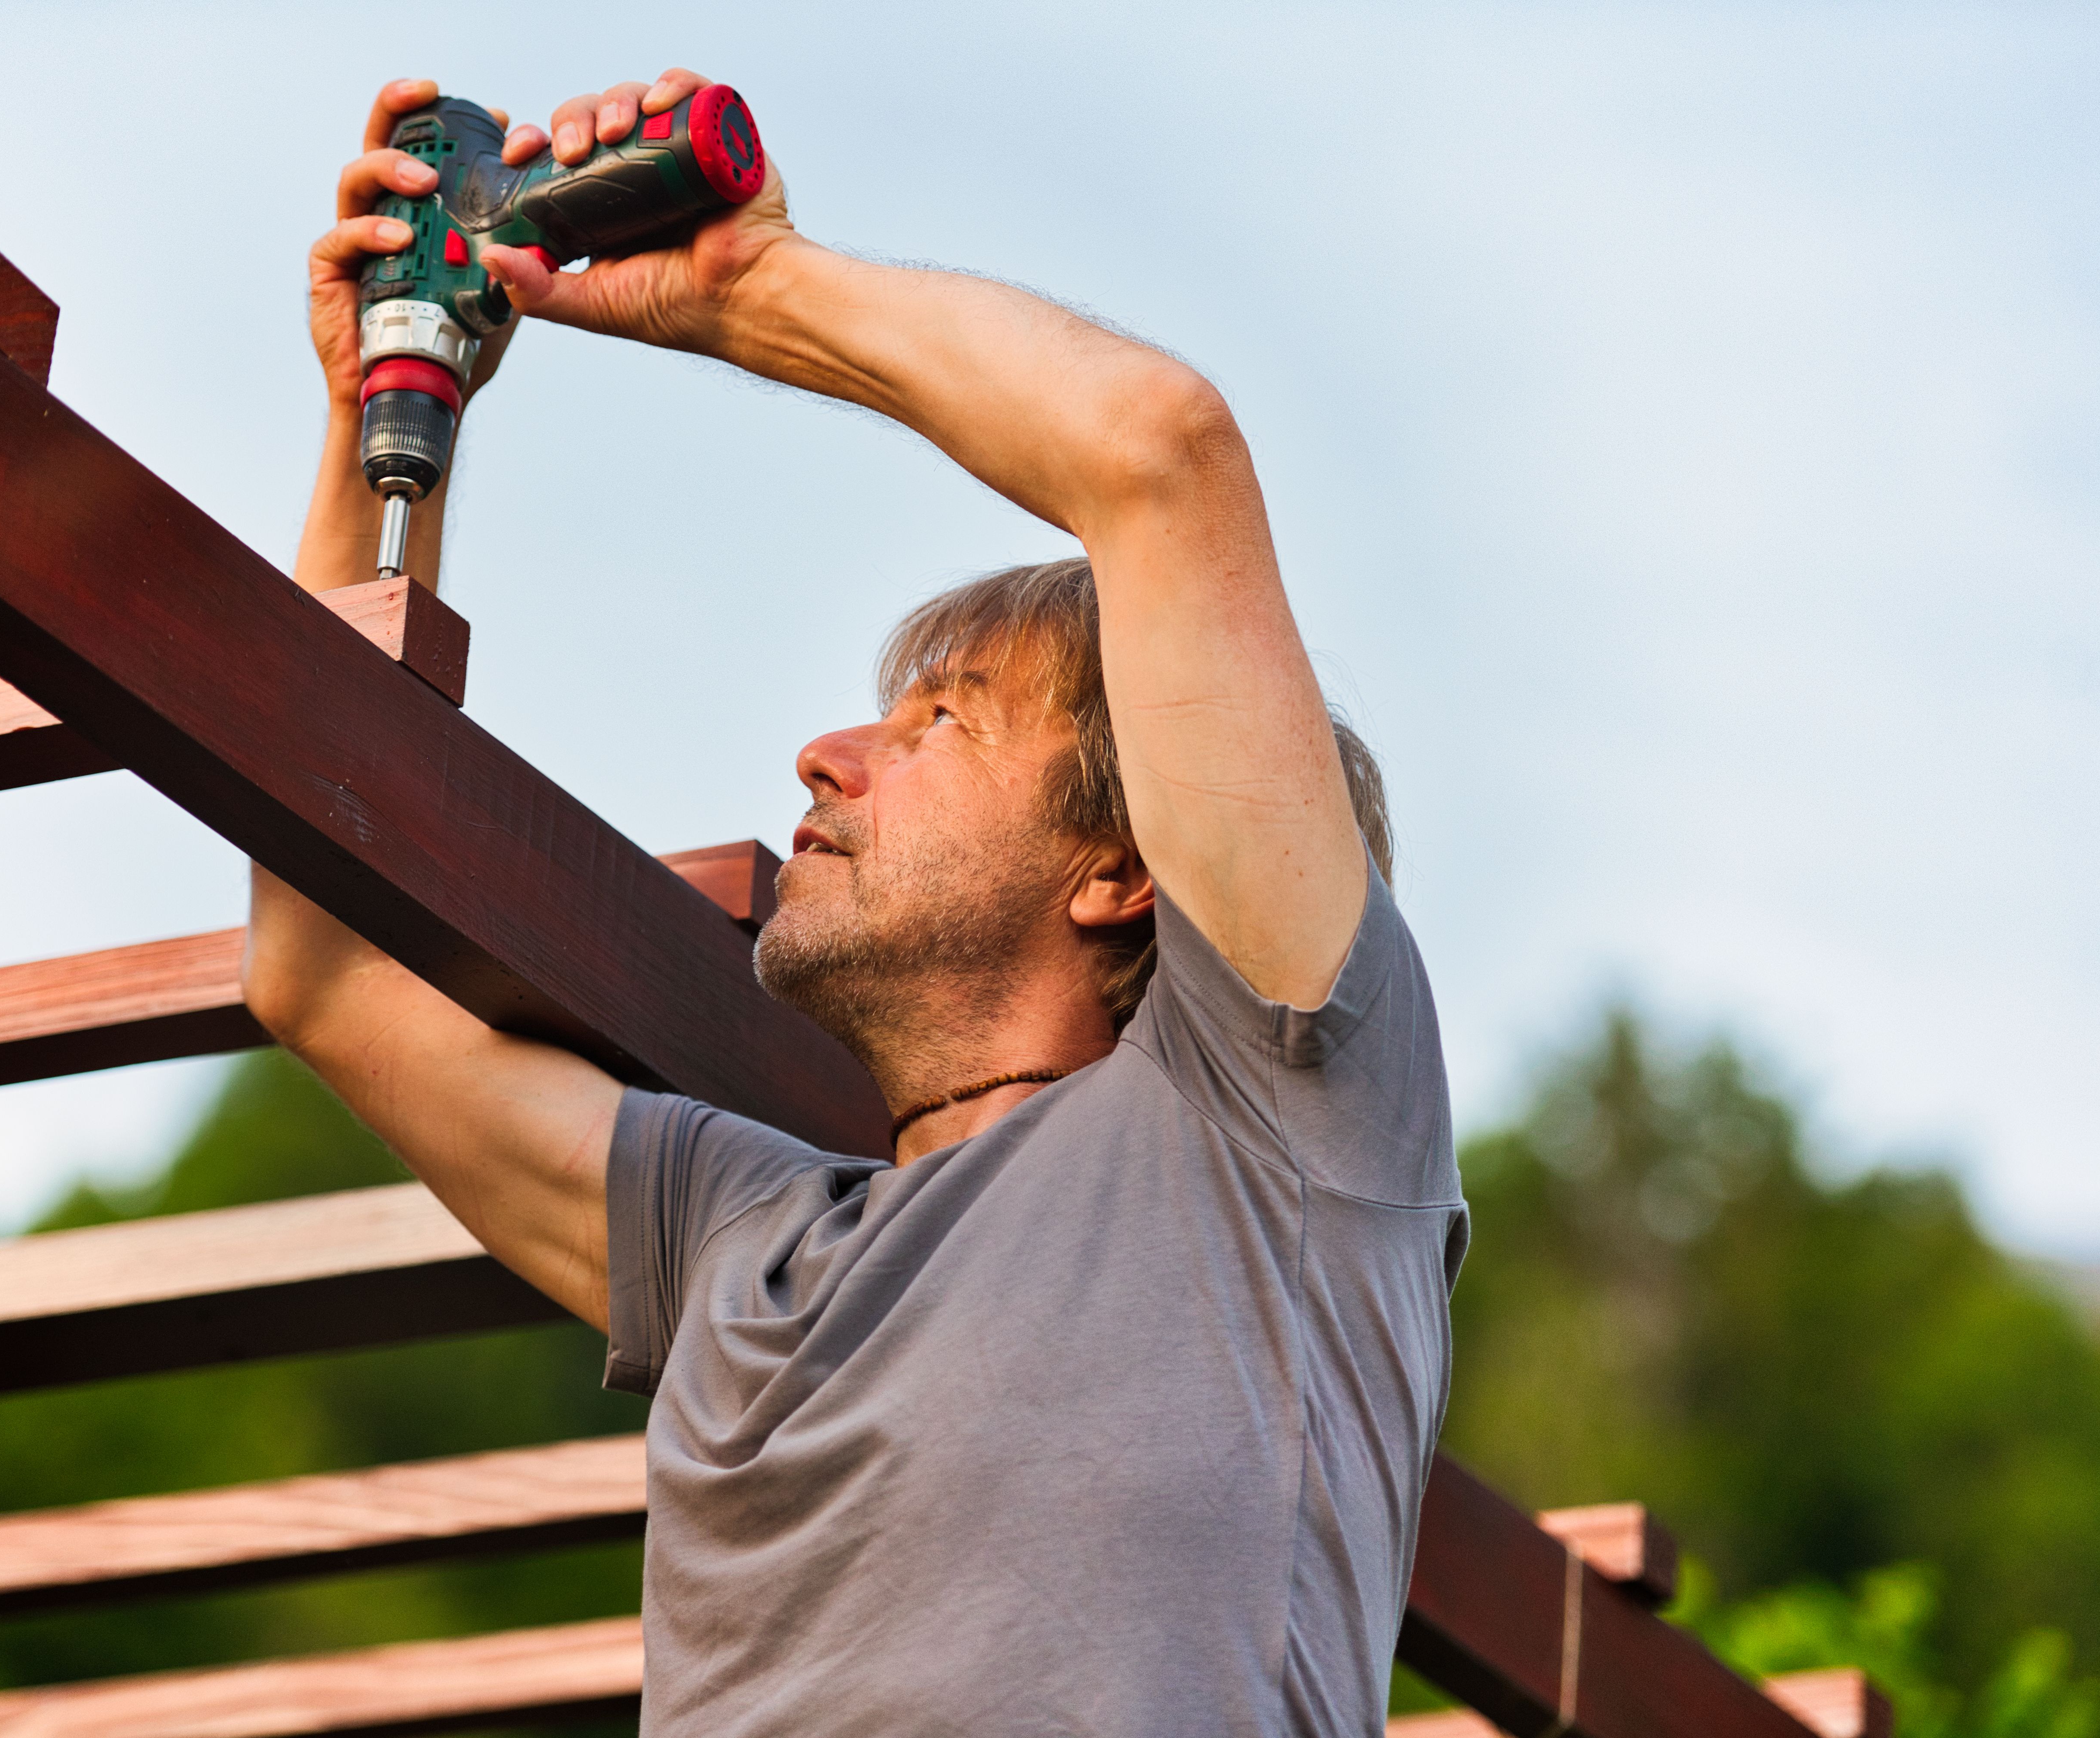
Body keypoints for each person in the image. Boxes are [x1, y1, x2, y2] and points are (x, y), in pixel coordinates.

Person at [247, 68, 1468, 1738]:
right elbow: (324, 978)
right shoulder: (736, 1247)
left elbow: (1157, 455)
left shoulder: (1274, 1133)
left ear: (1123, 869)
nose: (826, 755)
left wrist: (758, 286)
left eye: (942, 721)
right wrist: (382, 428)